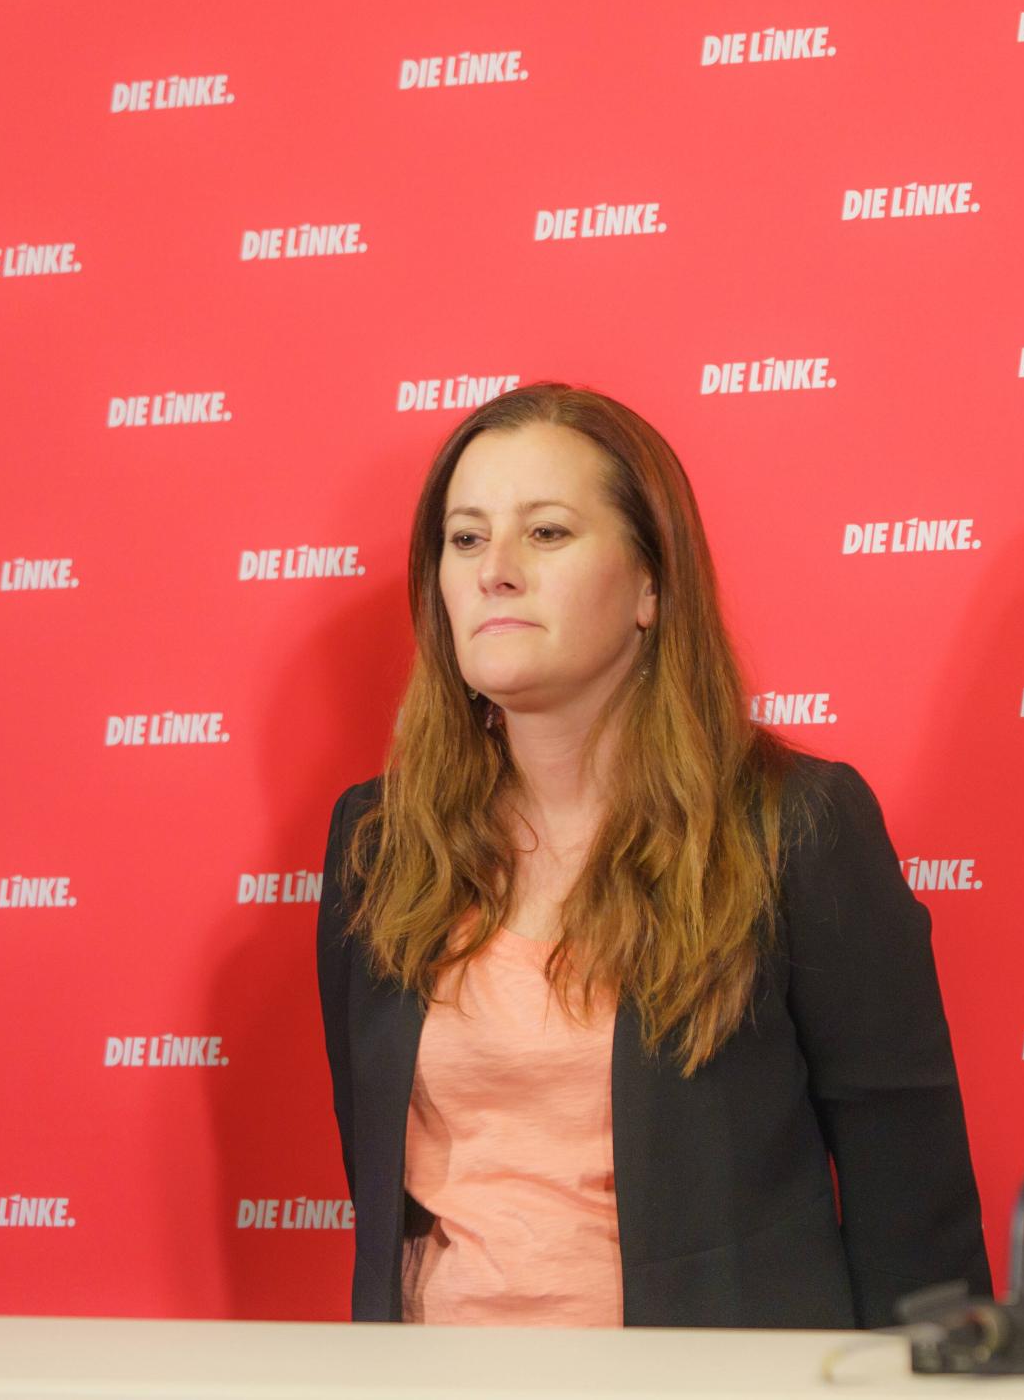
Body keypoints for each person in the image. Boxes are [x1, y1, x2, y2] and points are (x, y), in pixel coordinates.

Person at [317, 382, 986, 1327]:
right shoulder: (378, 841)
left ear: (650, 584)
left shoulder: (797, 825)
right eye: (465, 539)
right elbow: (375, 1170)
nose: (494, 570)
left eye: (546, 533)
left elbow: (909, 1201)